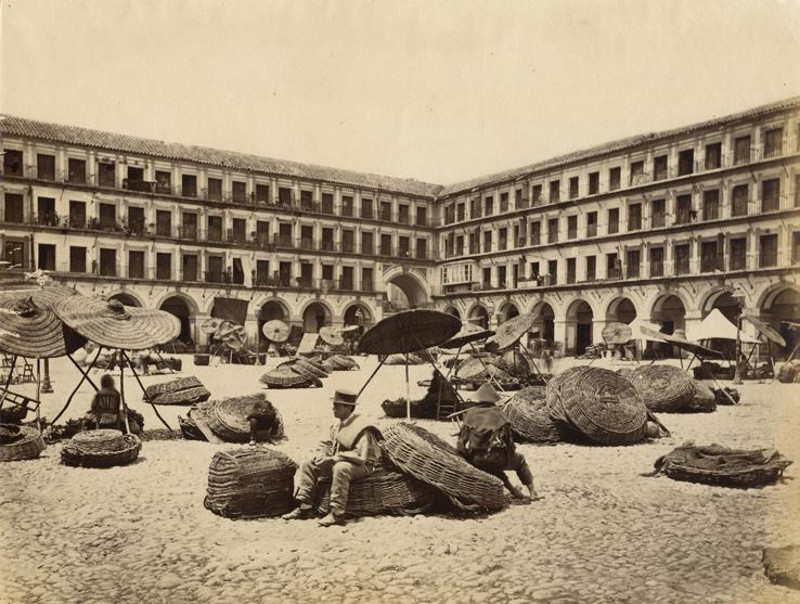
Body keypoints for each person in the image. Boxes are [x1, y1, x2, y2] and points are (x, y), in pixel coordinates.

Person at [282, 389, 382, 526]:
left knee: (341, 468)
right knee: (308, 463)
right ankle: (305, 507)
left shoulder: (362, 428)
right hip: (338, 461)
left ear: (348, 408)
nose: (333, 408)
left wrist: (335, 458)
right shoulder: (336, 426)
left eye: (337, 406)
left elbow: (361, 457)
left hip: (362, 466)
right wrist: (321, 455)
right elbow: (326, 445)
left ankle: (337, 513)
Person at [457, 383, 540, 502]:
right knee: (520, 461)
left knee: (491, 468)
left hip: (478, 459)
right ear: (493, 399)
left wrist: (466, 456)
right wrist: (511, 453)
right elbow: (509, 440)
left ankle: (515, 492)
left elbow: (461, 441)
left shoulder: (470, 414)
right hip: (497, 457)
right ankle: (533, 492)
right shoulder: (499, 414)